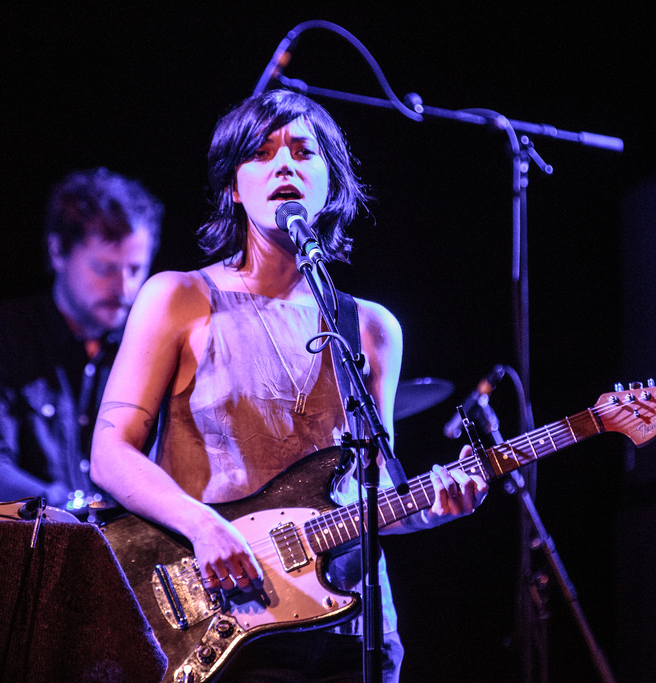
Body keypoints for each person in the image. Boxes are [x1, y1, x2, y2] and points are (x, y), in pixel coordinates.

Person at [90, 90, 488, 681]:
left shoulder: (372, 328)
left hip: (357, 628)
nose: (284, 165)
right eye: (263, 152)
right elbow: (109, 453)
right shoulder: (178, 298)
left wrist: (437, 508)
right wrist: (204, 527)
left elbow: (374, 493)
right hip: (230, 617)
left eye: (304, 153)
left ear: (331, 181)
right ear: (232, 185)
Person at [0, 167, 163, 516]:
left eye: (135, 269)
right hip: (37, 548)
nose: (124, 288)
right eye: (104, 268)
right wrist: (71, 509)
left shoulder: (149, 342)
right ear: (57, 252)